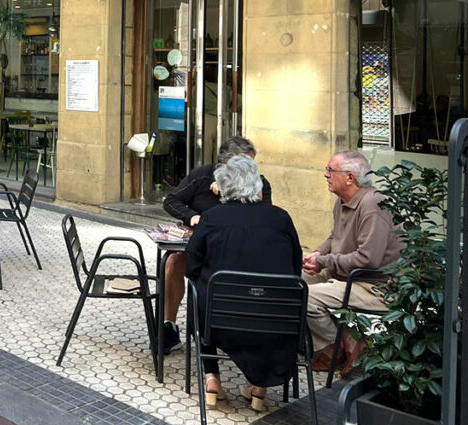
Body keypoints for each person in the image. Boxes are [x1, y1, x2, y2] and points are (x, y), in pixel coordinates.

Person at [185, 155, 301, 411]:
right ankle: (259, 387)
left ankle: (211, 376)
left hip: (219, 321)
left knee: (200, 292)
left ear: (225, 186)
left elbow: (191, 265)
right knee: (263, 300)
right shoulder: (281, 218)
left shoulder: (212, 217)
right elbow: (296, 266)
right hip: (276, 321)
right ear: (256, 185)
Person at [160, 136, 273, 353]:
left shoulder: (258, 184)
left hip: (235, 251)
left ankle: (228, 328)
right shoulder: (201, 176)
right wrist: (191, 217)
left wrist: (231, 192)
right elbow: (171, 200)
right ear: (226, 164)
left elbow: (262, 216)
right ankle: (169, 326)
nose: (252, 169)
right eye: (247, 163)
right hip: (199, 246)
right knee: (174, 262)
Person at [303, 150, 402, 375]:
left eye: (330, 170)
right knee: (292, 281)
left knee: (306, 296)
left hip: (374, 286)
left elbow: (368, 259)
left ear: (350, 177)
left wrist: (324, 260)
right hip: (347, 275)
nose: (325, 175)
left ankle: (333, 350)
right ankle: (344, 337)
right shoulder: (342, 201)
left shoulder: (373, 205)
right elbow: (334, 236)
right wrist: (317, 254)